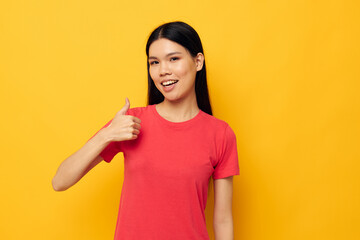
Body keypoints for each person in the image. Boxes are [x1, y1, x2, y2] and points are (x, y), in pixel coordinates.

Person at [52, 21, 240, 240]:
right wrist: (107, 135)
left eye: (174, 59)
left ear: (198, 61)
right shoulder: (131, 122)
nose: (163, 71)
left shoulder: (220, 134)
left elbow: (223, 220)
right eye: (154, 62)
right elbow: (60, 181)